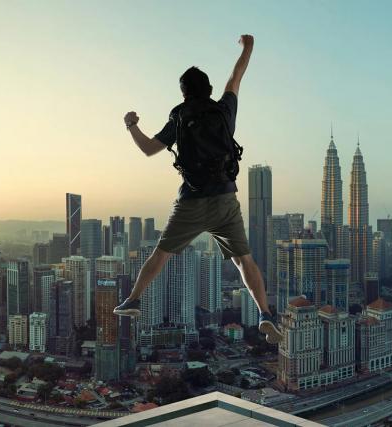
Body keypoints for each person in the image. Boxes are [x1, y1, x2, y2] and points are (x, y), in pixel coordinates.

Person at [114, 34, 283, 344]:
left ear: (183, 92)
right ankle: (264, 314)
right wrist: (248, 47)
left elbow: (150, 149)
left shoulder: (179, 115)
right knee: (244, 260)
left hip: (191, 200)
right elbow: (236, 76)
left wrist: (131, 125)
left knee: (160, 255)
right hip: (225, 198)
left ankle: (133, 301)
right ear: (208, 89)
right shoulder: (223, 110)